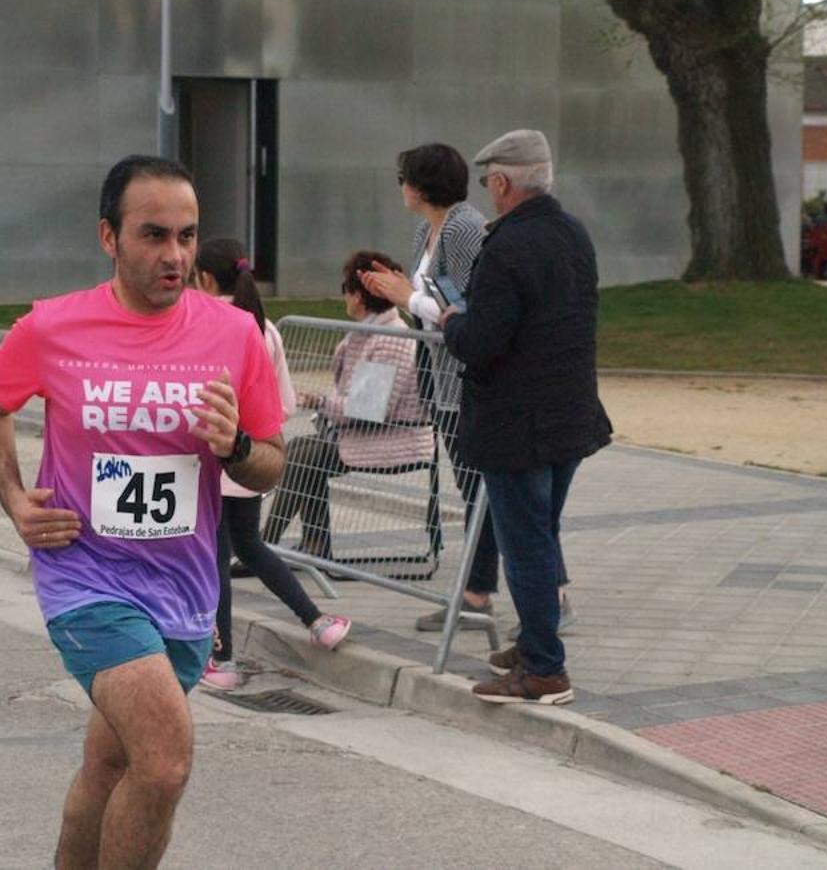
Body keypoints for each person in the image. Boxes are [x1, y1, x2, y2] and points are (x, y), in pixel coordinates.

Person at [0, 156, 286, 868]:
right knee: (165, 760)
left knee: (110, 770)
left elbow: (270, 464)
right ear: (109, 238)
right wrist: (15, 500)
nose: (174, 254)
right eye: (152, 235)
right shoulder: (53, 328)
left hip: (183, 591)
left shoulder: (234, 334)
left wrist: (234, 447)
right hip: (86, 579)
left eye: (186, 236)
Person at [441, 130, 612, 706]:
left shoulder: (508, 246)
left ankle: (543, 669)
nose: (489, 192)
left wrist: (448, 322)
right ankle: (538, 641)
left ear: (502, 182)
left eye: (490, 183)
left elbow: (482, 340)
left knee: (527, 545)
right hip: (571, 414)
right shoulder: (573, 234)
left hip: (518, 422)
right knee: (542, 534)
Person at [356, 143, 505, 634]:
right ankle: (486, 589)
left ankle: (481, 592)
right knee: (476, 487)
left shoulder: (463, 228)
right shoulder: (426, 228)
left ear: (418, 185)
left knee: (482, 487)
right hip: (436, 370)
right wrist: (399, 288)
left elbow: (467, 306)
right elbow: (428, 295)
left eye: (402, 178)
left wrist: (408, 296)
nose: (399, 187)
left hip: (462, 373)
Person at [191, 238, 350, 690]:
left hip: (211, 465)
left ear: (203, 278)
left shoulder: (201, 323)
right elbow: (284, 404)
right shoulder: (265, 328)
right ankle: (317, 621)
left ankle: (219, 659)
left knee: (216, 561)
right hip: (256, 460)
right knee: (253, 547)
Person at [261, 251, 435, 561]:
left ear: (358, 296)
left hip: (395, 439)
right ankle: (306, 543)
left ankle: (264, 547)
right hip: (373, 434)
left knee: (307, 454)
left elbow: (367, 409)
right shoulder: (371, 334)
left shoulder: (388, 338)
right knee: (304, 449)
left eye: (346, 289)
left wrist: (322, 402)